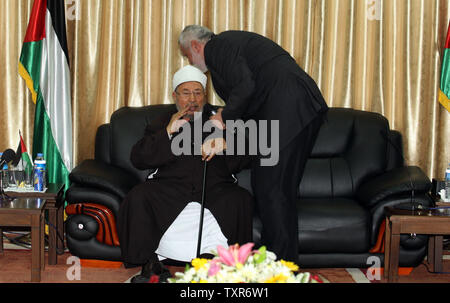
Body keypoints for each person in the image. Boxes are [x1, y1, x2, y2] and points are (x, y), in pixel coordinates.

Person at [178, 25, 329, 263]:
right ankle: (279, 261)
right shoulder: (231, 46)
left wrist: (225, 117)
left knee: (273, 188)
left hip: (290, 109)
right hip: (295, 110)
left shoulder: (218, 47)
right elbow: (252, 95)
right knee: (273, 187)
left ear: (196, 45)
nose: (191, 61)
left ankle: (279, 265)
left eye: (188, 55)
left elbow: (245, 87)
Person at [117, 65, 253, 283]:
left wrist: (226, 143)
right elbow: (139, 158)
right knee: (139, 197)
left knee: (240, 200)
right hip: (169, 188)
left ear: (205, 95)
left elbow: (249, 154)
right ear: (175, 96)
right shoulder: (163, 121)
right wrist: (168, 132)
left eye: (198, 92)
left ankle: (218, 261)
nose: (193, 99)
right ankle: (151, 264)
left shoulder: (221, 119)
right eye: (186, 93)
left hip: (215, 186)